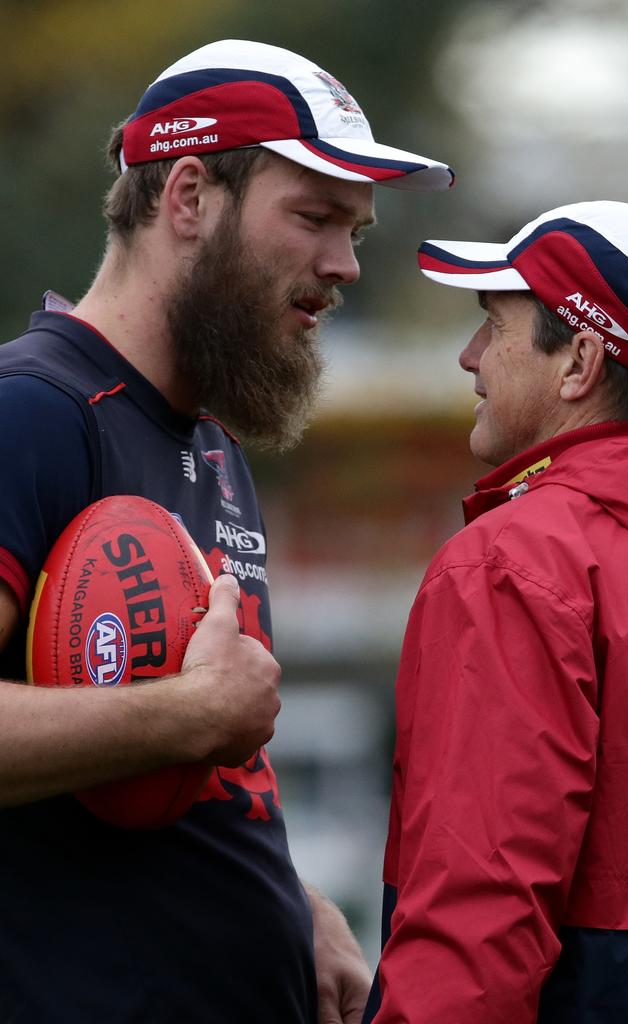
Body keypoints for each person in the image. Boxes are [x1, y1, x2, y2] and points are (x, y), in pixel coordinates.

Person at [0, 39, 453, 1023]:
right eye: (316, 218)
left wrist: (299, 908)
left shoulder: (209, 440)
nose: (344, 267)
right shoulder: (32, 413)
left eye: (357, 233)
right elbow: (200, 716)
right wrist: (183, 713)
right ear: (191, 197)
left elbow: (199, 776)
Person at [364, 200, 628, 1023]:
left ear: (579, 362)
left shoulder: (516, 563)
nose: (469, 356)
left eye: (493, 326)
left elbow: (474, 928)